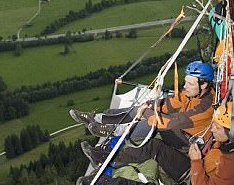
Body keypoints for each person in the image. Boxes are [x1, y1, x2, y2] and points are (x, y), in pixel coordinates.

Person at [78, 102, 234, 185]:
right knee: (156, 147)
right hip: (195, 173)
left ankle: (103, 182)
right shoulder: (229, 143)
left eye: (218, 127)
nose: (213, 129)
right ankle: (108, 157)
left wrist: (197, 161)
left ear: (231, 132)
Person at [70, 61, 215, 150]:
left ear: (204, 84)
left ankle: (115, 131)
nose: (185, 86)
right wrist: (150, 105)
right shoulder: (191, 94)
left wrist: (146, 112)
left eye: (190, 83)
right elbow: (169, 104)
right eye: (185, 81)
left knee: (153, 123)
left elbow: (170, 122)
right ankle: (97, 118)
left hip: (186, 141)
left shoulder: (205, 108)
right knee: (145, 110)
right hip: (178, 128)